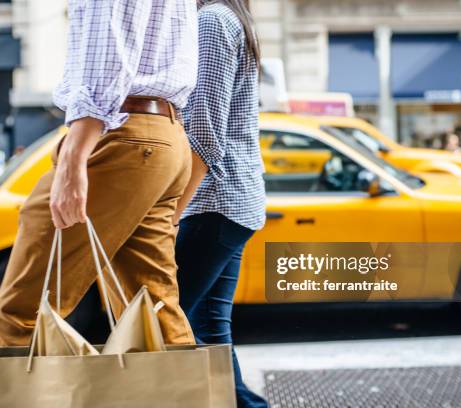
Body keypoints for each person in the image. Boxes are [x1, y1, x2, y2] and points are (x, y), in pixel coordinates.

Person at [0, 1, 198, 347]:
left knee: (22, 315)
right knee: (151, 313)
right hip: (162, 132)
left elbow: (107, 52)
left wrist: (73, 159)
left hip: (121, 132)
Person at [173, 1, 268, 407]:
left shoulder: (212, 21)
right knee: (210, 332)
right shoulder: (230, 19)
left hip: (215, 200)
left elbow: (205, 133)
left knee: (161, 320)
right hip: (228, 202)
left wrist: (171, 210)